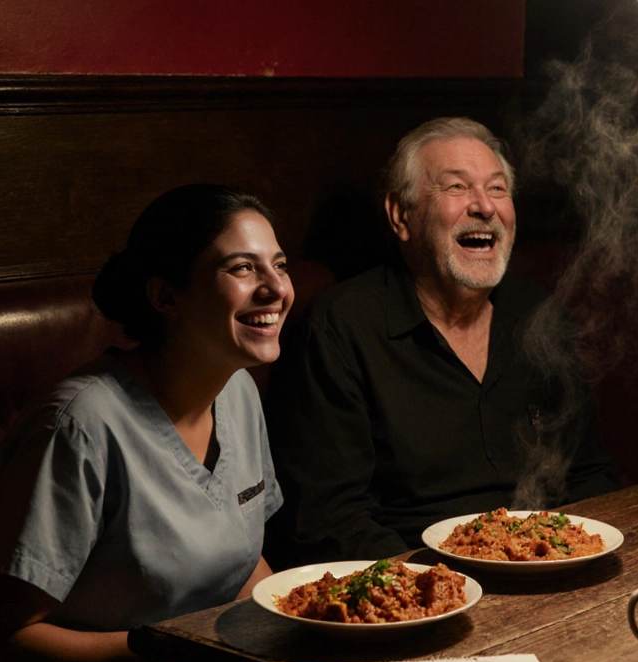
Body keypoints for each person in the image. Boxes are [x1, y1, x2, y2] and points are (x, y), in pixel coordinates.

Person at [0, 185, 291, 662]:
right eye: (243, 268)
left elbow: (240, 561)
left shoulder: (238, 391)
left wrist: (304, 637)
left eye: (279, 265)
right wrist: (168, 648)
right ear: (165, 297)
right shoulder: (79, 427)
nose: (275, 288)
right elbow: (2, 645)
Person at [264, 117, 618, 566]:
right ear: (401, 215)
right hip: (412, 585)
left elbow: (589, 473)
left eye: (496, 189)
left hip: (547, 570)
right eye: (456, 188)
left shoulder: (540, 316)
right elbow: (326, 519)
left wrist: (582, 553)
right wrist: (441, 584)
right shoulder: (338, 328)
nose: (485, 207)